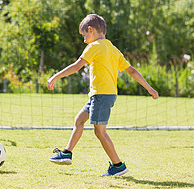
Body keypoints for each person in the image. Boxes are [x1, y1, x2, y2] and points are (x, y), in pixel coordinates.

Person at [47, 14, 159, 176]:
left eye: (85, 35)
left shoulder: (94, 46)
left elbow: (77, 66)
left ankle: (118, 165)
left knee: (99, 131)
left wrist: (55, 76)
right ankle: (67, 153)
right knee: (79, 120)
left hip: (102, 95)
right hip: (101, 95)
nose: (84, 39)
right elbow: (132, 71)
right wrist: (150, 88)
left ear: (91, 30)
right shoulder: (113, 49)